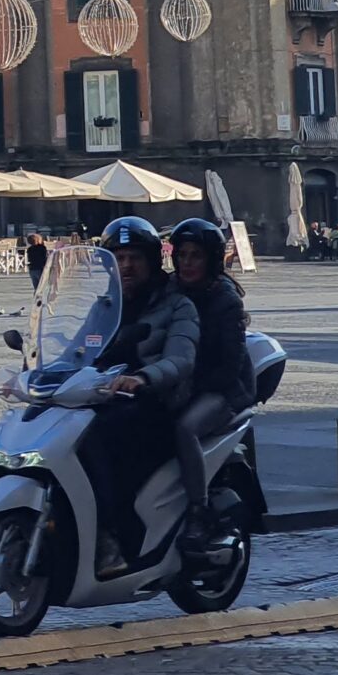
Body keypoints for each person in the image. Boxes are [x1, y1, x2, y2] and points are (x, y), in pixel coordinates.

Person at [83, 217, 200, 576]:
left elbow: (181, 358)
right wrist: (33, 371)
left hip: (155, 403)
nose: (126, 266)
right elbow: (76, 348)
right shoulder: (104, 307)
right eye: (118, 258)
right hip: (106, 397)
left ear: (152, 260)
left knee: (95, 440)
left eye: (134, 257)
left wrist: (144, 377)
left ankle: (110, 536)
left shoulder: (177, 306)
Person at [167, 219, 254, 552]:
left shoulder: (225, 301)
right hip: (181, 384)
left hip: (223, 389)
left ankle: (197, 510)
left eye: (196, 256)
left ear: (212, 260)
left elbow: (230, 365)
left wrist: (188, 387)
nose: (187, 263)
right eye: (182, 255)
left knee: (184, 428)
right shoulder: (170, 290)